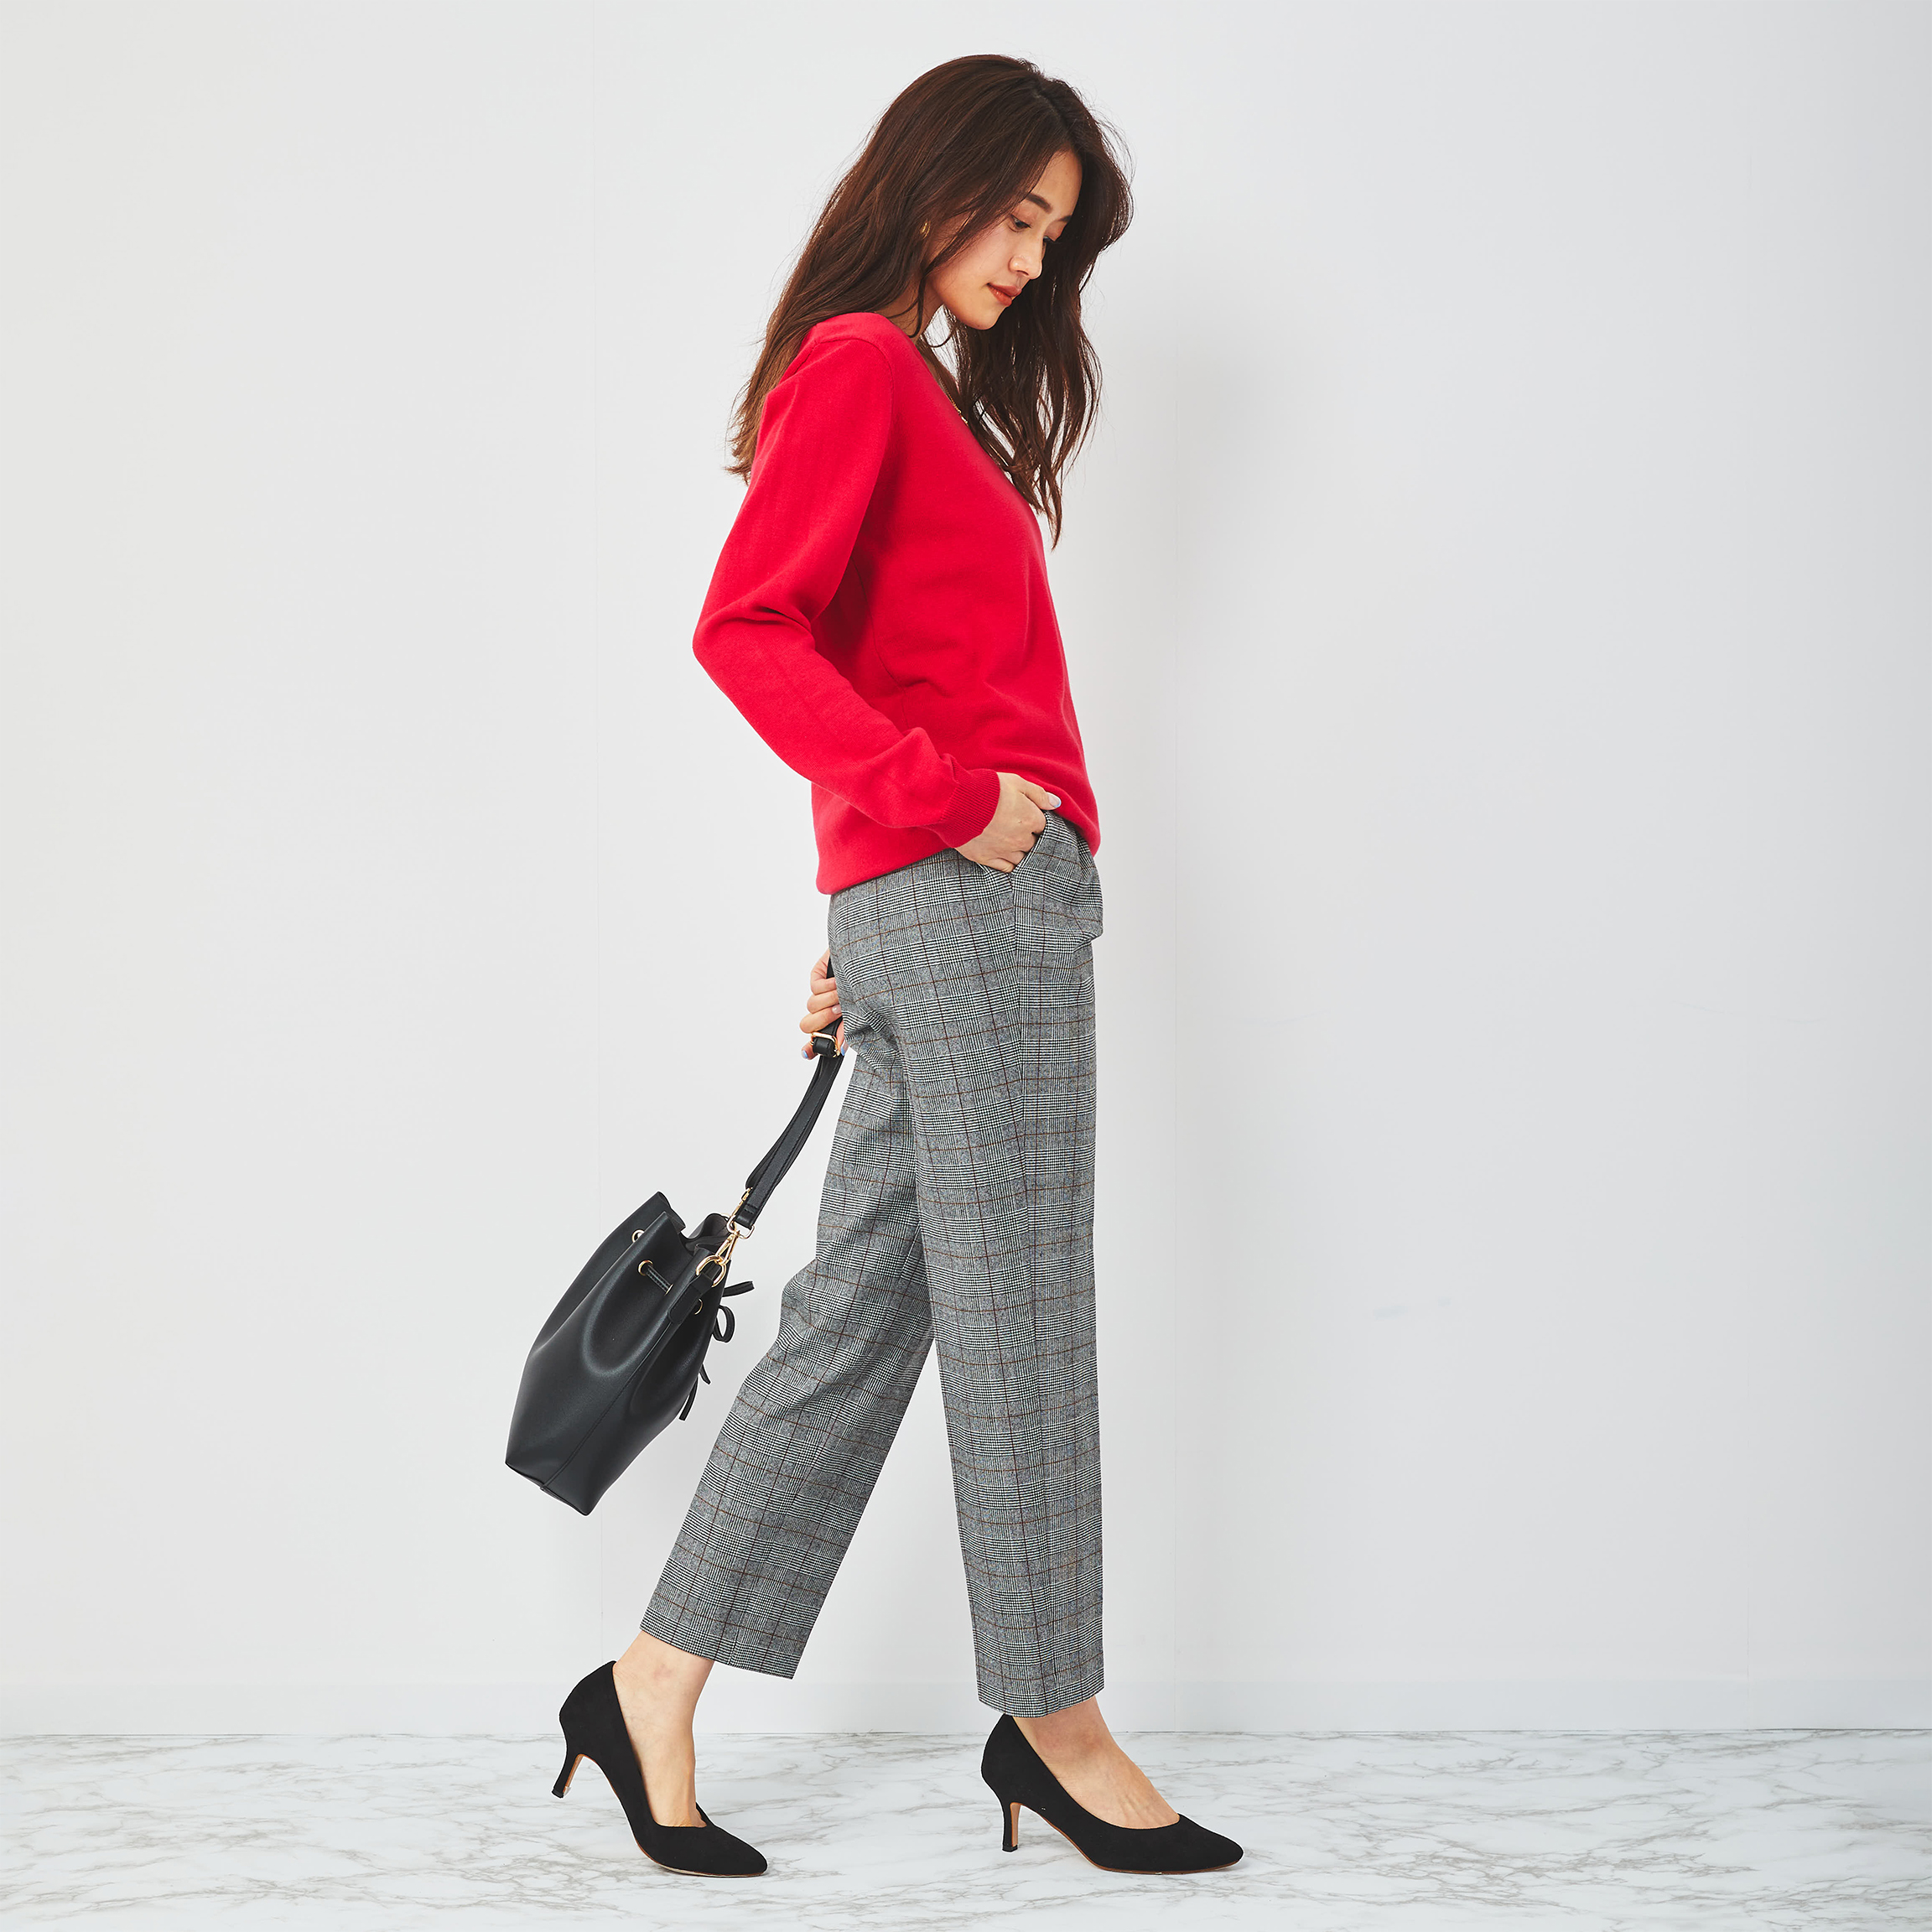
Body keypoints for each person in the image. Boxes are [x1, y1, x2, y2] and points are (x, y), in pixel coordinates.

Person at [549, 54, 1243, 1879]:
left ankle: (649, 1683)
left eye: (1055, 234)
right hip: (976, 889)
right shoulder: (865, 364)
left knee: (862, 1319)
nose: (1030, 258)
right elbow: (746, 630)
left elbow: (876, 658)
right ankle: (1056, 1724)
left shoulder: (903, 382)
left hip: (938, 898)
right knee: (1023, 1315)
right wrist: (941, 815)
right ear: (931, 182)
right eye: (1015, 213)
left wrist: (871, 912)